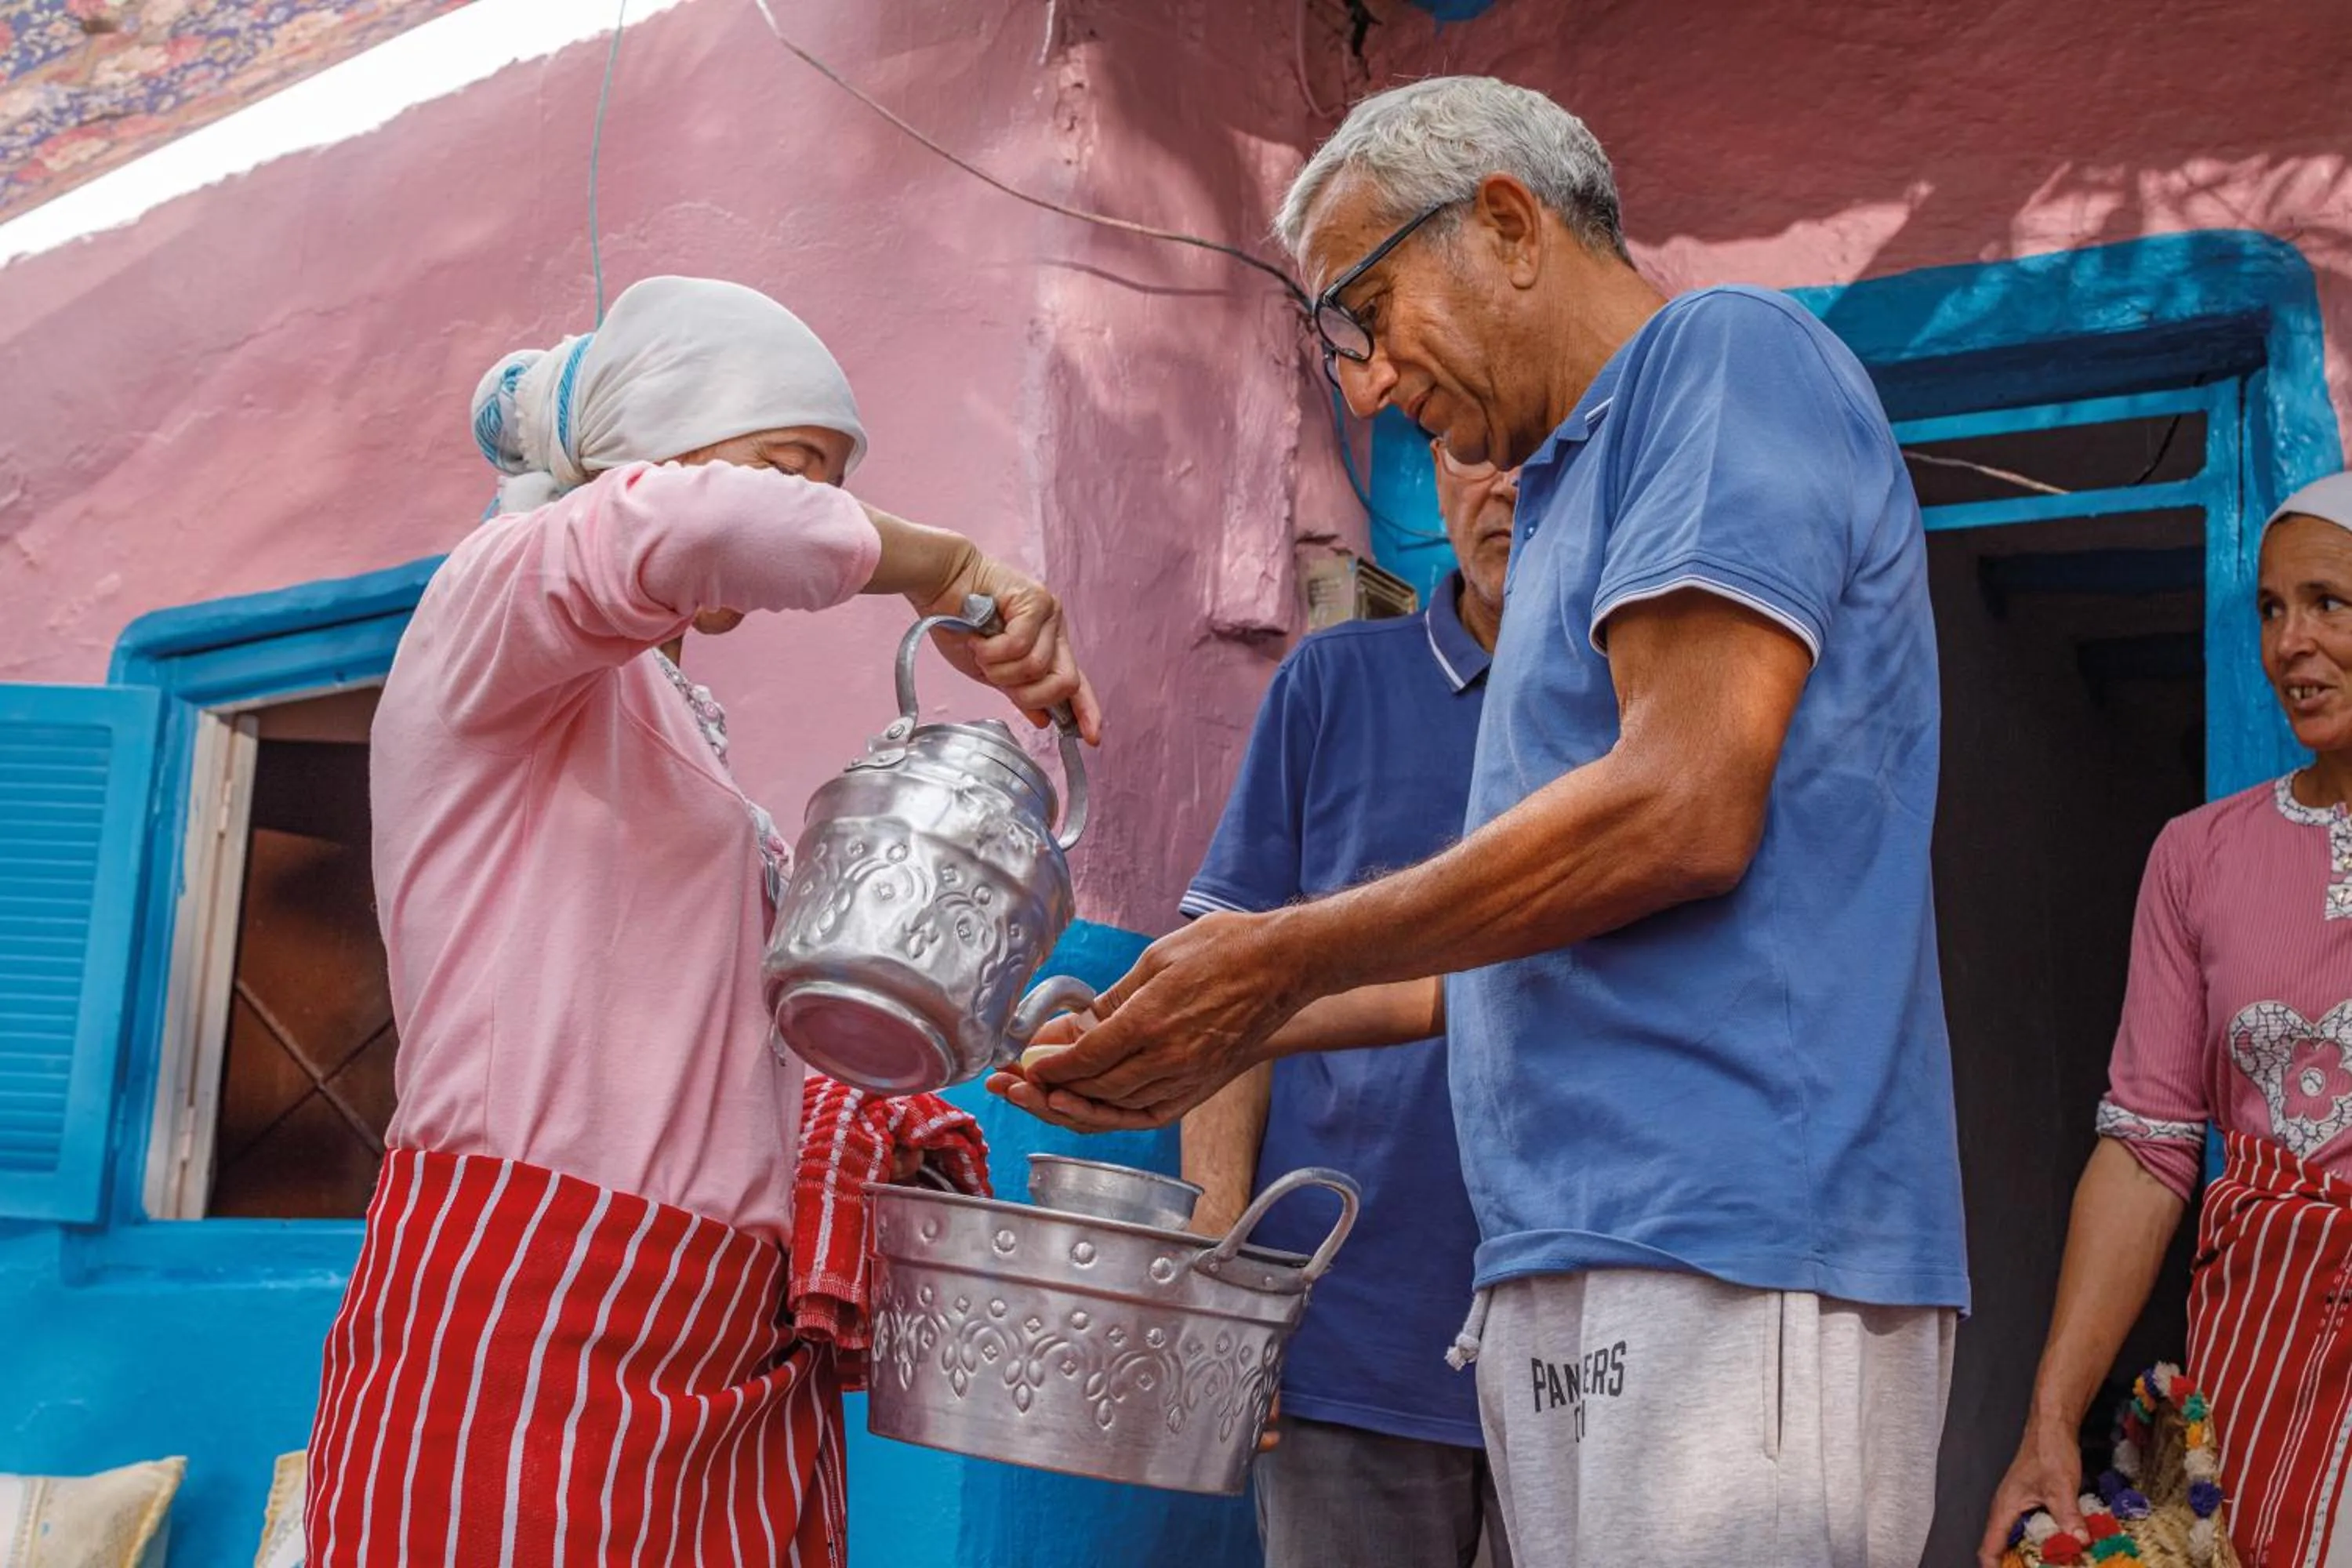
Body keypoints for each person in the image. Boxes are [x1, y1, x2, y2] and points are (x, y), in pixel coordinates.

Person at [993, 77, 1966, 1567]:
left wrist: (1277, 957)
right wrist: (1205, 1024)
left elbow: (1687, 803)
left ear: (1509, 223)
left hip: (1732, 1237)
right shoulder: (1574, 495)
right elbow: (1503, 961)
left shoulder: (1720, 360)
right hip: (1578, 1253)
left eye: (1371, 314)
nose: (1369, 385)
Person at [302, 275, 1098, 1566]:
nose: (819, 515)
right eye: (796, 474)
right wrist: (943, 566)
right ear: (657, 437)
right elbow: (691, 526)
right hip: (532, 1313)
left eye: (829, 484)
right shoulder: (492, 607)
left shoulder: (684, 737)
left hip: (728, 1340)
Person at [1980, 472, 2352, 1568]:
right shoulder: (2199, 856)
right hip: (2260, 1364)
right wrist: (2052, 1415)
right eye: (2273, 609)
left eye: (2330, 603)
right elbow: (2147, 1150)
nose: (2292, 643)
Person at [1181, 445, 1516, 1568]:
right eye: (1474, 452)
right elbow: (1228, 980)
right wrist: (1222, 1273)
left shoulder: (1643, 713)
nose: (1508, 484)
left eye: (1544, 451)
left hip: (1590, 1335)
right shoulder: (1334, 685)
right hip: (1347, 1328)